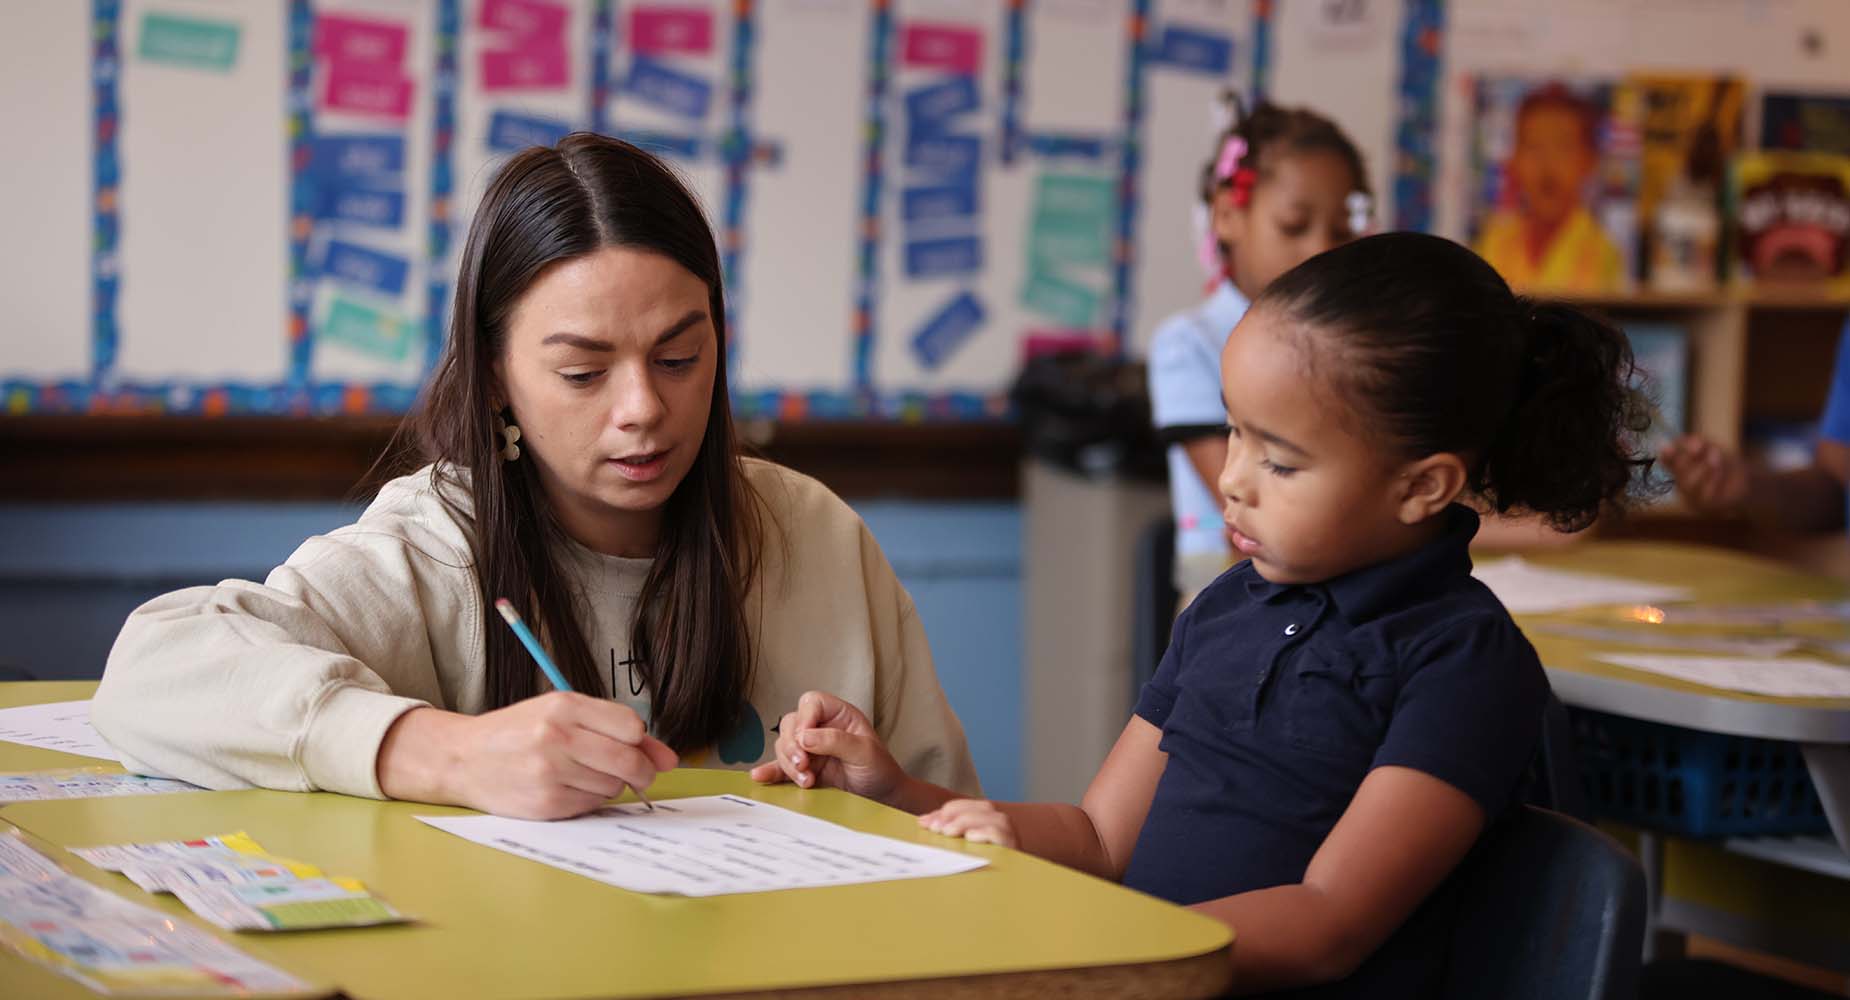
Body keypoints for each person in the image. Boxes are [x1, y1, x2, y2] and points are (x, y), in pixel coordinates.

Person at [761, 233, 1652, 995]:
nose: (1231, 477)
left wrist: (1116, 952)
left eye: (1283, 460)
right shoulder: (1229, 606)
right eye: (1234, 431)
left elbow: (1328, 922)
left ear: (1423, 486)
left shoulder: (1464, 662)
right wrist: (908, 798)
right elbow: (1100, 838)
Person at [93, 134, 980, 820]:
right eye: (583, 373)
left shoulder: (814, 535)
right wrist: (445, 754)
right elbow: (153, 669)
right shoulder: (436, 544)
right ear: (493, 374)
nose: (642, 408)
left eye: (679, 356)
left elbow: (959, 828)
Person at [1148, 101, 1372, 599]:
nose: (1321, 251)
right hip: (1231, 603)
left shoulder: (1355, 346)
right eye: (1294, 226)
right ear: (1228, 215)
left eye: (1341, 232)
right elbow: (1265, 509)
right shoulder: (1188, 345)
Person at [1474, 83, 1625, 292]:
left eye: (1563, 147)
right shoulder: (1493, 243)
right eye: (1533, 146)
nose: (1547, 164)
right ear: (1514, 159)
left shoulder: (1605, 254)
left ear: (1589, 160)